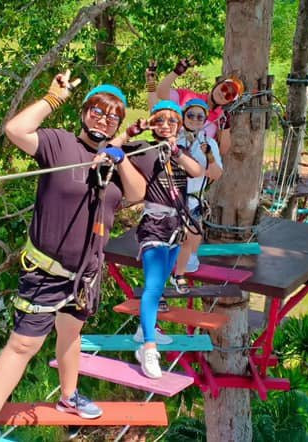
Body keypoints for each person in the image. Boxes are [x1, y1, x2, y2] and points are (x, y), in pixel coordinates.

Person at [0, 72, 147, 442]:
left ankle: (69, 397)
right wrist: (53, 98)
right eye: (97, 112)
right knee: (23, 344)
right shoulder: (58, 144)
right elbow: (16, 130)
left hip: (85, 274)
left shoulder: (117, 162)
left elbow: (137, 194)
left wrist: (119, 158)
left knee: (71, 335)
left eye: (112, 116)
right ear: (84, 113)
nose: (104, 120)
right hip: (45, 271)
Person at [120, 100, 204, 379]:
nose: (166, 125)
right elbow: (110, 147)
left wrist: (175, 150)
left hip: (176, 225)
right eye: (160, 120)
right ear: (151, 123)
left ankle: (145, 329)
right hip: (154, 226)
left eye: (172, 121)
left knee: (160, 284)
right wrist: (132, 131)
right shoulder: (143, 148)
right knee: (153, 288)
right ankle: (148, 347)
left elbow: (197, 172)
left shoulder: (181, 151)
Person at [172, 98, 223, 294]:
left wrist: (209, 155)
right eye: (190, 115)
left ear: (205, 120)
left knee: (191, 249)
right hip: (172, 200)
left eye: (199, 116)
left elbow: (216, 174)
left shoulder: (209, 143)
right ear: (183, 117)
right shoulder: (174, 140)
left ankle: (181, 273)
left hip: (193, 201)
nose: (194, 119)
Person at [146, 58, 245, 155]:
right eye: (224, 88)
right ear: (218, 84)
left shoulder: (220, 119)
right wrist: (176, 72)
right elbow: (160, 93)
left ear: (229, 102)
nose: (223, 94)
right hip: (167, 153)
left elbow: (223, 151)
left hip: (193, 165)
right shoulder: (188, 96)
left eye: (229, 96)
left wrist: (226, 125)